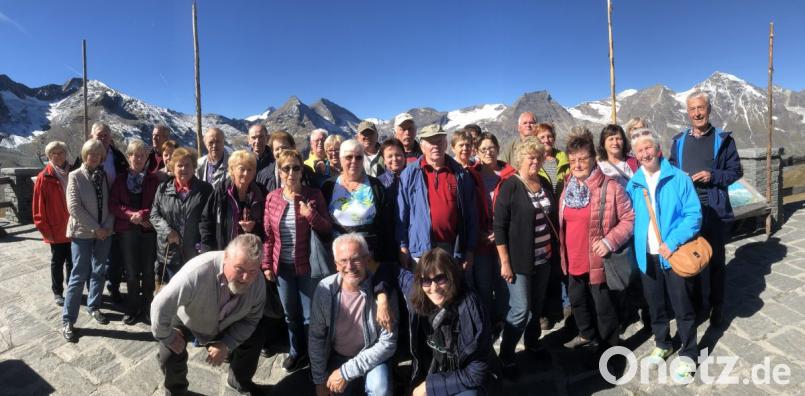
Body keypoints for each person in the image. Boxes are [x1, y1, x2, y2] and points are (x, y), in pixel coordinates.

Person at [625, 129, 702, 381]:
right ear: (635, 155)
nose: (645, 153)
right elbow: (629, 217)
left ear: (658, 149)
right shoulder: (634, 184)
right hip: (646, 255)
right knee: (655, 304)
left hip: (674, 253)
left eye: (648, 147)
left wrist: (672, 241)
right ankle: (663, 343)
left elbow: (694, 215)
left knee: (683, 306)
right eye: (639, 150)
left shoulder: (678, 178)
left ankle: (689, 353)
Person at [151, 234, 266, 395]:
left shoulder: (258, 282)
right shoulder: (197, 271)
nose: (246, 278)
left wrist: (227, 343)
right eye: (239, 269)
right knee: (169, 353)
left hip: (226, 322)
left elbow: (251, 320)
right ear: (226, 257)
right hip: (188, 317)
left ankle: (239, 380)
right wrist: (167, 336)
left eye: (252, 271)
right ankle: (176, 392)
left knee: (257, 333)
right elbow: (160, 304)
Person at [375, 248, 496, 395]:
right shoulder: (420, 293)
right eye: (426, 280)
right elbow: (389, 269)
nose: (434, 288)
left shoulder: (471, 311)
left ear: (452, 276)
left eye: (440, 279)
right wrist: (382, 300)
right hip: (434, 369)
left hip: (464, 377)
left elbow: (476, 373)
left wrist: (429, 386)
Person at [669, 90, 742, 326]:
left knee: (716, 262)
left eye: (701, 108)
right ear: (687, 112)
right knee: (692, 259)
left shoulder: (723, 140)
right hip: (688, 212)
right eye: (692, 109)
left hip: (714, 210)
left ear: (709, 109)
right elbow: (671, 169)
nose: (697, 113)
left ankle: (717, 306)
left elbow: (735, 171)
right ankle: (699, 306)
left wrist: (713, 175)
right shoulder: (679, 141)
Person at [558, 131, 634, 351]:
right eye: (573, 160)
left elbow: (629, 219)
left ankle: (610, 349)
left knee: (604, 309)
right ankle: (586, 335)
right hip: (573, 259)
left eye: (583, 159)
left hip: (598, 260)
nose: (577, 164)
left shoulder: (610, 187)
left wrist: (609, 241)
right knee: (578, 301)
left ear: (593, 159)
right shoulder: (568, 186)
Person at [263, 149, 332, 372]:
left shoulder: (313, 195)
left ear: (302, 170)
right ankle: (296, 351)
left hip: (307, 267)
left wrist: (309, 214)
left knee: (309, 316)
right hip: (282, 268)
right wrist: (267, 264)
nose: (291, 173)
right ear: (279, 171)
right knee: (290, 315)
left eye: (296, 168)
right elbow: (269, 236)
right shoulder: (272, 198)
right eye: (286, 168)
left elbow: (327, 227)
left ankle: (314, 354)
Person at [493, 136, 557, 376]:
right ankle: (507, 354)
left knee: (537, 306)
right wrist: (505, 262)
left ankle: (533, 342)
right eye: (531, 157)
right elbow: (499, 226)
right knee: (520, 309)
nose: (535, 162)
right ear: (520, 159)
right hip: (519, 260)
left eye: (539, 157)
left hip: (544, 257)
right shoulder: (510, 186)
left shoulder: (544, 182)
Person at [309, 234, 397, 396]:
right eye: (343, 261)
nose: (349, 266)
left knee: (380, 389)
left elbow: (388, 342)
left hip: (372, 355)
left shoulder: (383, 291)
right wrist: (319, 380)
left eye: (356, 259)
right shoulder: (325, 290)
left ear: (367, 259)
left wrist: (346, 372)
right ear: (336, 265)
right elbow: (316, 337)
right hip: (338, 356)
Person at [396, 124, 478, 270]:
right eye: (430, 142)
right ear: (422, 146)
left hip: (452, 248)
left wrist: (470, 249)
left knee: (451, 284)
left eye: (439, 141)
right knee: (423, 284)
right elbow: (402, 213)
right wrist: (403, 246)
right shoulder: (409, 174)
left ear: (445, 144)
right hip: (420, 248)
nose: (435, 146)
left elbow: (471, 214)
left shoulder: (460, 174)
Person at [61, 139, 115, 342]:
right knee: (79, 275)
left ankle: (94, 306)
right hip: (82, 233)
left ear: (102, 157)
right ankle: (68, 320)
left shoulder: (104, 176)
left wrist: (107, 226)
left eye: (98, 154)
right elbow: (74, 207)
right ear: (85, 155)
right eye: (91, 153)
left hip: (104, 233)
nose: (94, 157)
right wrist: (96, 228)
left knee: (99, 272)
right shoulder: (75, 176)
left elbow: (111, 203)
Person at [109, 139, 161, 325]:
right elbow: (113, 204)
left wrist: (143, 214)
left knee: (148, 272)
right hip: (127, 231)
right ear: (128, 157)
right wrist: (131, 215)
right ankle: (132, 308)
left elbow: (157, 204)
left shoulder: (153, 180)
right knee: (131, 272)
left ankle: (147, 308)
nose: (138, 159)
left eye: (142, 156)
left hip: (148, 231)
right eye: (135, 155)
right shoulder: (120, 180)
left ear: (146, 158)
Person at [472, 132, 517, 329]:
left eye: (491, 148)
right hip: (480, 238)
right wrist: (479, 233)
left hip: (503, 237)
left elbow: (516, 209)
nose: (488, 152)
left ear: (498, 149)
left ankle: (503, 320)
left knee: (502, 282)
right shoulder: (471, 175)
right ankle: (487, 321)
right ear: (477, 152)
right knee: (483, 283)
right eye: (483, 149)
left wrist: (500, 232)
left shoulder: (510, 175)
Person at [151, 147, 214, 282]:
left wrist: (204, 245)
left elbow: (210, 219)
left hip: (194, 253)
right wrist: (167, 231)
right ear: (173, 168)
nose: (184, 169)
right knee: (172, 291)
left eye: (187, 165)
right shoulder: (163, 188)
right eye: (180, 165)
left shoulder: (205, 190)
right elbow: (154, 215)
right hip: (169, 253)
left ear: (194, 167)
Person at [322, 140, 389, 259]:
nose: (354, 161)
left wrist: (378, 255)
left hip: (368, 255)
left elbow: (385, 223)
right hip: (338, 255)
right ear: (340, 159)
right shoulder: (329, 186)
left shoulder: (376, 186)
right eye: (349, 157)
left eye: (358, 157)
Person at [87, 122, 129, 303]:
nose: (103, 138)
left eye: (106, 135)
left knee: (115, 254)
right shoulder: (86, 154)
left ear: (110, 137)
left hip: (114, 211)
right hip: (91, 213)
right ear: (92, 136)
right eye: (99, 135)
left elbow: (127, 178)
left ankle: (114, 287)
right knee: (93, 255)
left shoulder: (118, 156)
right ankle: (93, 292)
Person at [33, 141, 74, 306]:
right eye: (54, 153)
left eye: (61, 152)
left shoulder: (74, 172)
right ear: (49, 156)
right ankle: (57, 292)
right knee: (57, 262)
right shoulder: (44, 177)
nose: (58, 156)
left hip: (74, 226)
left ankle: (72, 289)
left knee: (73, 261)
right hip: (56, 228)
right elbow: (38, 207)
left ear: (66, 153)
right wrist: (44, 229)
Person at [200, 150, 265, 252]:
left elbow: (267, 225)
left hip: (251, 253)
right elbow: (206, 221)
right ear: (232, 170)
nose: (246, 173)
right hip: (224, 251)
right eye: (242, 169)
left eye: (250, 169)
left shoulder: (260, 193)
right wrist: (208, 248)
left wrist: (254, 227)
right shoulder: (222, 191)